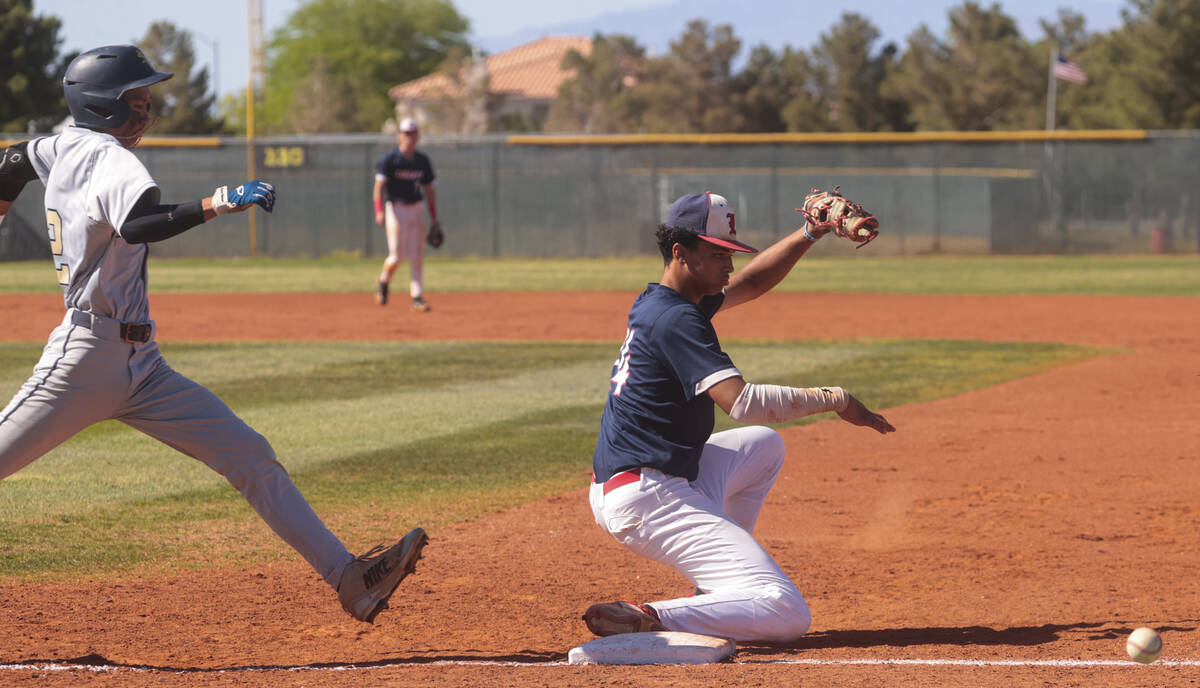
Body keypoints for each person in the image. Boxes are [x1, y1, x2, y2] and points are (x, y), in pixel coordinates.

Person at [0, 45, 426, 624]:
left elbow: (12, 162)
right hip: (84, 358)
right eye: (136, 100)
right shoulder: (112, 160)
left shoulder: (60, 144)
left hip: (143, 368)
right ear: (103, 107)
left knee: (249, 454)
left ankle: (350, 579)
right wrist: (216, 203)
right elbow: (142, 221)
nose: (146, 111)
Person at [583, 191, 896, 643]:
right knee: (786, 611)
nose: (728, 265)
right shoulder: (677, 320)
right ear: (680, 252)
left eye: (730, 252)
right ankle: (654, 614)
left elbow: (750, 283)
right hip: (649, 498)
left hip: (644, 477)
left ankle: (716, 589)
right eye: (718, 254)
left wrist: (810, 232)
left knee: (762, 446)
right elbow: (742, 402)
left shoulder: (666, 302)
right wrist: (836, 399)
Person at [373, 117, 440, 312]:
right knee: (397, 256)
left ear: (418, 135)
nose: (409, 136)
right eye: (406, 133)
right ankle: (384, 282)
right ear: (399, 135)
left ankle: (417, 296)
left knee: (417, 255)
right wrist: (379, 211)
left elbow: (429, 190)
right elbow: (378, 187)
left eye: (413, 133)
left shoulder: (422, 161)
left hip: (416, 208)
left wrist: (434, 217)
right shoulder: (390, 160)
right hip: (395, 208)